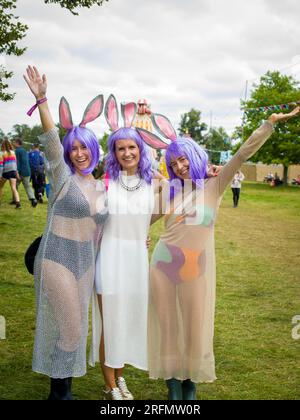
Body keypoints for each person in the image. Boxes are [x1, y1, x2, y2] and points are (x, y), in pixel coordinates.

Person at [137, 106, 300, 400]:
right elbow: (144, 220)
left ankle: (190, 382)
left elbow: (240, 155)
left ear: (194, 157)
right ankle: (173, 382)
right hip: (162, 265)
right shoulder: (169, 190)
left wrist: (269, 124)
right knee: (168, 324)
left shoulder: (214, 186)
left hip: (194, 268)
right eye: (174, 163)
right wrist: (136, 236)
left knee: (194, 325)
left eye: (183, 159)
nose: (180, 167)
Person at [23, 65, 108, 400]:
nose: (79, 153)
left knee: (75, 329)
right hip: (56, 255)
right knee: (71, 328)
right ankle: (59, 395)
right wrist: (43, 100)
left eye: (85, 147)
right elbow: (51, 143)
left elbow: (102, 228)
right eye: (74, 148)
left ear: (94, 150)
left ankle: (62, 389)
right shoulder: (63, 177)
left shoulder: (102, 186)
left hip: (84, 261)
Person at [91, 95, 156, 400]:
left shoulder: (151, 182)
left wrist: (144, 233)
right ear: (113, 153)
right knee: (110, 322)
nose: (127, 152)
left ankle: (120, 377)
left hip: (136, 259)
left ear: (140, 150)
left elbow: (155, 213)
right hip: (111, 257)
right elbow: (94, 222)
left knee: (128, 318)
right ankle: (109, 386)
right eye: (121, 148)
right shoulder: (104, 184)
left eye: (132, 147)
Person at [14, 138, 38, 207]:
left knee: (14, 186)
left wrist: (17, 171)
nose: (13, 143)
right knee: (27, 186)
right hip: (27, 171)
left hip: (21, 171)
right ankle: (33, 199)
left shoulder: (17, 151)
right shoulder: (24, 150)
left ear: (17, 143)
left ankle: (16, 200)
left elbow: (17, 162)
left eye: (14, 142)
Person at [0, 138, 21, 208]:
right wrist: (16, 172)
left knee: (0, 187)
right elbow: (15, 163)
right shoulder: (13, 152)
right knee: (14, 188)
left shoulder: (2, 153)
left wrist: (0, 175)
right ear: (10, 145)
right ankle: (18, 203)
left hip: (5, 172)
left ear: (2, 145)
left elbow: (1, 165)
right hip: (13, 172)